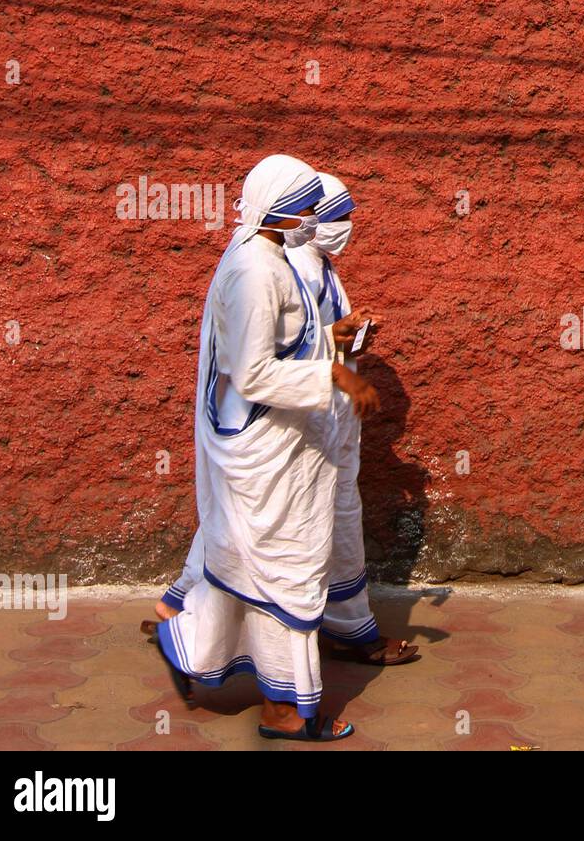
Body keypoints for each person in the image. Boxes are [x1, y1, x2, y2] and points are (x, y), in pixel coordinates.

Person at [154, 154, 379, 742]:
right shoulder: (257, 269)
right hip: (266, 444)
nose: (313, 219)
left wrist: (328, 338)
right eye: (304, 207)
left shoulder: (270, 258)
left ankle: (191, 647)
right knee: (287, 571)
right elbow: (251, 373)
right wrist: (335, 374)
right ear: (276, 208)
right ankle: (284, 711)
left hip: (280, 440)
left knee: (260, 568)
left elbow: (280, 339)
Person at [287, 173, 419, 666]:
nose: (347, 227)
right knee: (301, 524)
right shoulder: (292, 269)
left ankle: (344, 626)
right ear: (314, 222)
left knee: (333, 519)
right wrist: (337, 347)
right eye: (340, 218)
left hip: (333, 426)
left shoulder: (322, 267)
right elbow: (285, 351)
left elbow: (327, 341)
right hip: (306, 426)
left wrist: (353, 335)